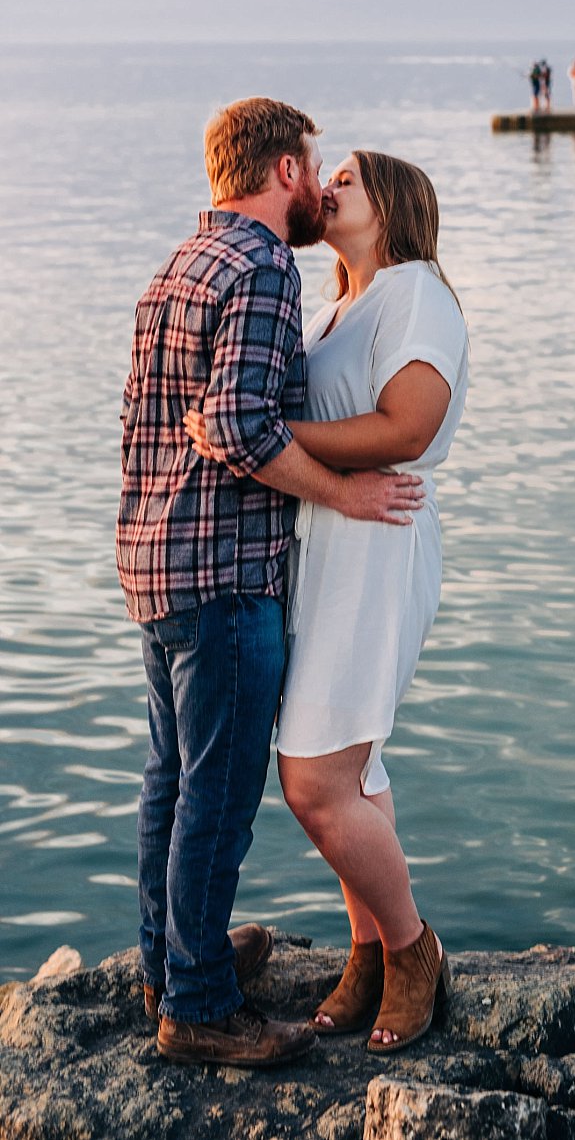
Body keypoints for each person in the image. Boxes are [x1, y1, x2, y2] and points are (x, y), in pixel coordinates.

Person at [118, 97, 421, 1070]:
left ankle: (173, 966)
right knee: (213, 798)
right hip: (224, 579)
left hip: (155, 567)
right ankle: (201, 1006)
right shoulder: (259, 269)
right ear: (285, 168)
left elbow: (172, 422)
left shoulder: (179, 263)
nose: (321, 182)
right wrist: (345, 493)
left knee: (169, 785)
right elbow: (244, 428)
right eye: (315, 164)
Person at [186, 149, 468, 1055]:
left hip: (377, 546)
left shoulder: (416, 292)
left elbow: (409, 427)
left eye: (347, 173)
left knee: (314, 781)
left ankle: (415, 949)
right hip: (324, 547)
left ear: (391, 203)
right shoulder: (336, 304)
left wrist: (268, 434)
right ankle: (369, 951)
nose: (329, 183)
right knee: (357, 772)